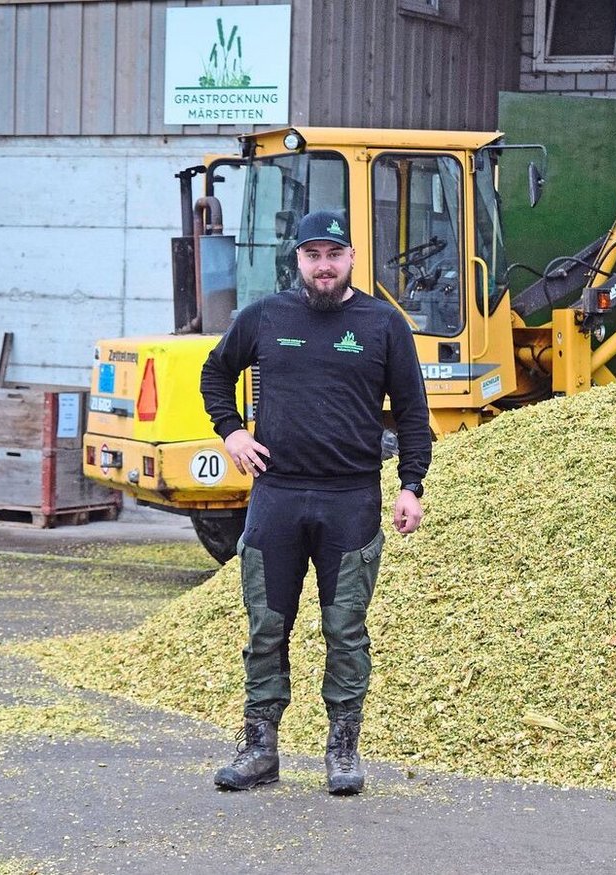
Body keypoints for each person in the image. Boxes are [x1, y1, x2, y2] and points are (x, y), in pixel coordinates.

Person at [200, 209, 431, 795]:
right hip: (276, 497)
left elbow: (411, 412)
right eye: (312, 256)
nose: (323, 266)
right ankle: (259, 748)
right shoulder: (264, 318)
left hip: (350, 500)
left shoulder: (383, 324)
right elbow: (214, 374)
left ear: (352, 257)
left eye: (334, 255)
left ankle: (344, 750)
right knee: (267, 626)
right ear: (297, 260)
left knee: (345, 628)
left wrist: (410, 485)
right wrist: (231, 432)